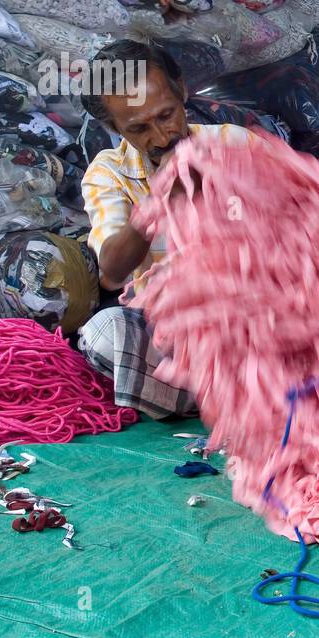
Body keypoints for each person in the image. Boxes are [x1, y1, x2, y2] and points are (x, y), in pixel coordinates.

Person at [76, 40, 258, 419]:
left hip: (259, 318)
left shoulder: (235, 143)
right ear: (113, 128)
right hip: (177, 339)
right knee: (103, 334)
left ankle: (240, 392)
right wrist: (159, 199)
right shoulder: (108, 172)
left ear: (182, 91)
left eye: (167, 115)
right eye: (139, 128)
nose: (161, 137)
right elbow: (112, 269)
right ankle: (220, 396)